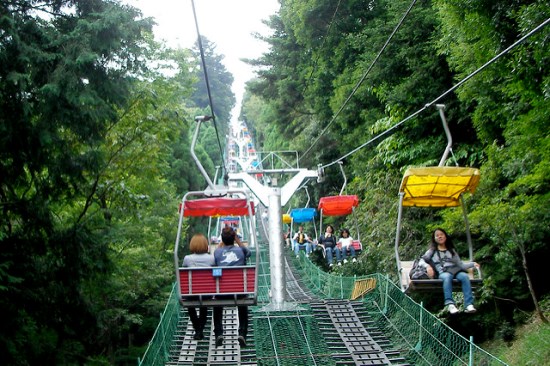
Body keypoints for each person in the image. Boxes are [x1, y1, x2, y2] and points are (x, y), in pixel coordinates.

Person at [421, 228, 480, 314]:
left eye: (441, 234)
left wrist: (473, 264)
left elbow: (461, 265)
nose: (440, 237)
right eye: (437, 235)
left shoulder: (451, 251)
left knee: (464, 276)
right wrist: (427, 266)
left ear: (445, 236)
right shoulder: (432, 251)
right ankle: (450, 304)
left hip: (455, 270)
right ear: (434, 238)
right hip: (443, 272)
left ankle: (469, 304)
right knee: (447, 277)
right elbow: (421, 260)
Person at [213, 226, 251, 348]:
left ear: (222, 239)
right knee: (243, 303)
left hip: (222, 292)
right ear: (234, 238)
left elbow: (214, 257)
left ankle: (219, 333)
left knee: (216, 304)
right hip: (239, 290)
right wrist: (237, 240)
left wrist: (222, 242)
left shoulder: (217, 252)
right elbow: (248, 253)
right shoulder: (241, 251)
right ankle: (242, 333)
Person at [182, 234, 215, 340]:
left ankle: (198, 330)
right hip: (207, 293)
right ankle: (199, 330)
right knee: (203, 307)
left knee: (190, 306)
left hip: (192, 293)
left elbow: (184, 272)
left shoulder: (187, 259)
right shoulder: (211, 258)